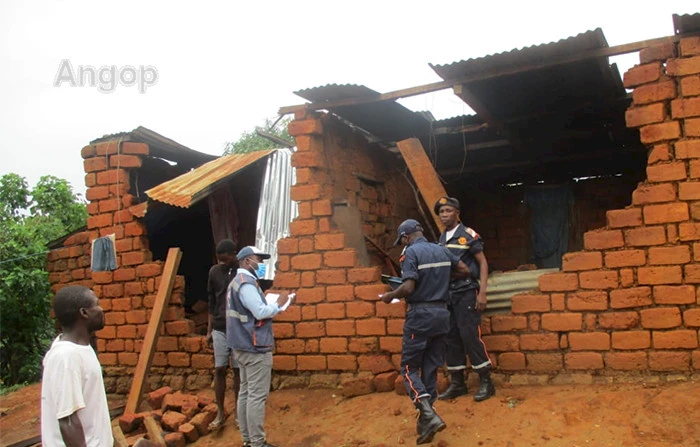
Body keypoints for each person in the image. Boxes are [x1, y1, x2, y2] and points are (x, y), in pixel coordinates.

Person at [379, 219, 470, 445]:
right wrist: (439, 281)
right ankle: (425, 423)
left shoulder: (410, 253)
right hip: (442, 315)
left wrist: (391, 296)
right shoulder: (441, 250)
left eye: (401, 240)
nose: (402, 244)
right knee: (430, 366)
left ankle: (428, 414)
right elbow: (464, 270)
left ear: (406, 236)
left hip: (420, 315)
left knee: (408, 369)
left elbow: (408, 287)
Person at [434, 196, 495, 402]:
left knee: (469, 335)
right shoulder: (441, 238)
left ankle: (486, 381)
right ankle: (458, 383)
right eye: (442, 212)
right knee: (451, 337)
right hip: (448, 295)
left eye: (448, 211)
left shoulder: (467, 234)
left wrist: (483, 292)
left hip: (466, 291)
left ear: (457, 213)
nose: (444, 215)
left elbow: (483, 263)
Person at [227, 246, 288, 447]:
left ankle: (248, 440)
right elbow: (260, 312)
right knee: (256, 396)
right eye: (257, 260)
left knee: (245, 392)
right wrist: (279, 304)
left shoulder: (237, 282)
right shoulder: (246, 284)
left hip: (241, 345)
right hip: (254, 346)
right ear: (246, 261)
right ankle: (257, 443)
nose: (260, 264)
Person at [40, 285, 112, 447]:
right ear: (84, 313)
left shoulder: (81, 348)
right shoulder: (66, 357)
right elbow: (68, 421)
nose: (101, 309)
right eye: (96, 304)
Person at [206, 239, 241, 431]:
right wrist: (209, 330)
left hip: (236, 328)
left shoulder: (241, 272)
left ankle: (238, 412)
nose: (222, 263)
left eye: (225, 259)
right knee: (219, 369)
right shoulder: (214, 272)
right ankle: (220, 412)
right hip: (219, 328)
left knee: (237, 370)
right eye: (219, 260)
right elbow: (211, 301)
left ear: (234, 255)